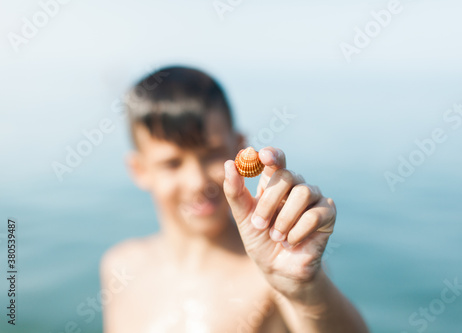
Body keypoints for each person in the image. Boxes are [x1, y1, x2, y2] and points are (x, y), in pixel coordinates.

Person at [99, 65, 369, 332]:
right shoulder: (120, 267)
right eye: (172, 163)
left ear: (239, 147)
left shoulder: (274, 269)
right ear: (139, 169)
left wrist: (305, 290)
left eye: (212, 153)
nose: (197, 181)